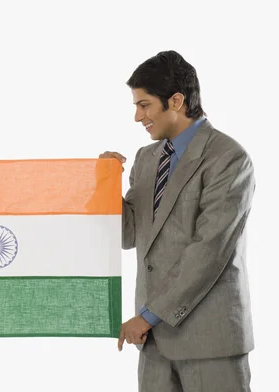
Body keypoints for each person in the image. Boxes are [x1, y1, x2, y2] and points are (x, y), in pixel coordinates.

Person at [100, 50, 255, 391]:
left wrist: (148, 315)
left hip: (209, 340)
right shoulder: (146, 158)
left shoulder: (228, 158)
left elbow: (208, 250)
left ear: (176, 100)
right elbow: (128, 235)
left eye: (145, 106)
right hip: (154, 343)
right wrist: (106, 182)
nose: (138, 117)